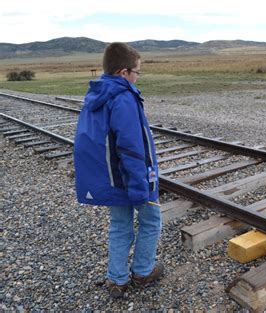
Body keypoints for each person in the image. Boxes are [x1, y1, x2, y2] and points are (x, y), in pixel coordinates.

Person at [73, 42, 163, 298]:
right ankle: (143, 271)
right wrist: (140, 187)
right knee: (151, 220)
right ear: (124, 72)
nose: (137, 77)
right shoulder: (123, 98)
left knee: (120, 225)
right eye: (137, 72)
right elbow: (132, 148)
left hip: (112, 178)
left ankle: (117, 279)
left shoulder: (97, 94)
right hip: (132, 178)